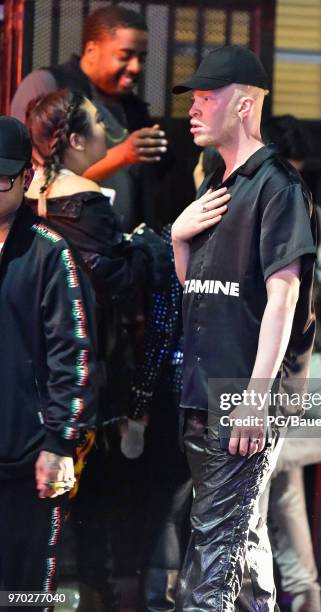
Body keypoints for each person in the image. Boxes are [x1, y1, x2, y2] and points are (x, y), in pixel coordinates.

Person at [171, 45, 317, 611]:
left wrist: (258, 399)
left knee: (209, 568)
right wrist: (178, 237)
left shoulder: (277, 186)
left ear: (246, 104)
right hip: (201, 391)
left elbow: (285, 297)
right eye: (195, 97)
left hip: (241, 398)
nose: (194, 107)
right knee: (242, 550)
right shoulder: (215, 180)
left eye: (208, 96)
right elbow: (196, 290)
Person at [24, 88, 171, 611]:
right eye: (99, 125)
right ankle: (96, 596)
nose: (109, 133)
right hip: (87, 362)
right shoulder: (85, 201)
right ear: (79, 140)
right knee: (99, 507)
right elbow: (114, 279)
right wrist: (152, 247)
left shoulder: (24, 196)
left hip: (28, 368)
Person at [0, 116, 97, 608]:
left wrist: (60, 442)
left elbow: (74, 356)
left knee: (21, 595)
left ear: (27, 178)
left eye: (1, 179)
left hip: (27, 459)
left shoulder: (50, 253)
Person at [11, 5, 169, 232]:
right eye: (125, 56)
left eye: (141, 58)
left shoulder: (132, 105)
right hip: (63, 236)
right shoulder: (49, 86)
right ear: (92, 50)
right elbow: (34, 175)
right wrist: (122, 155)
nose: (136, 67)